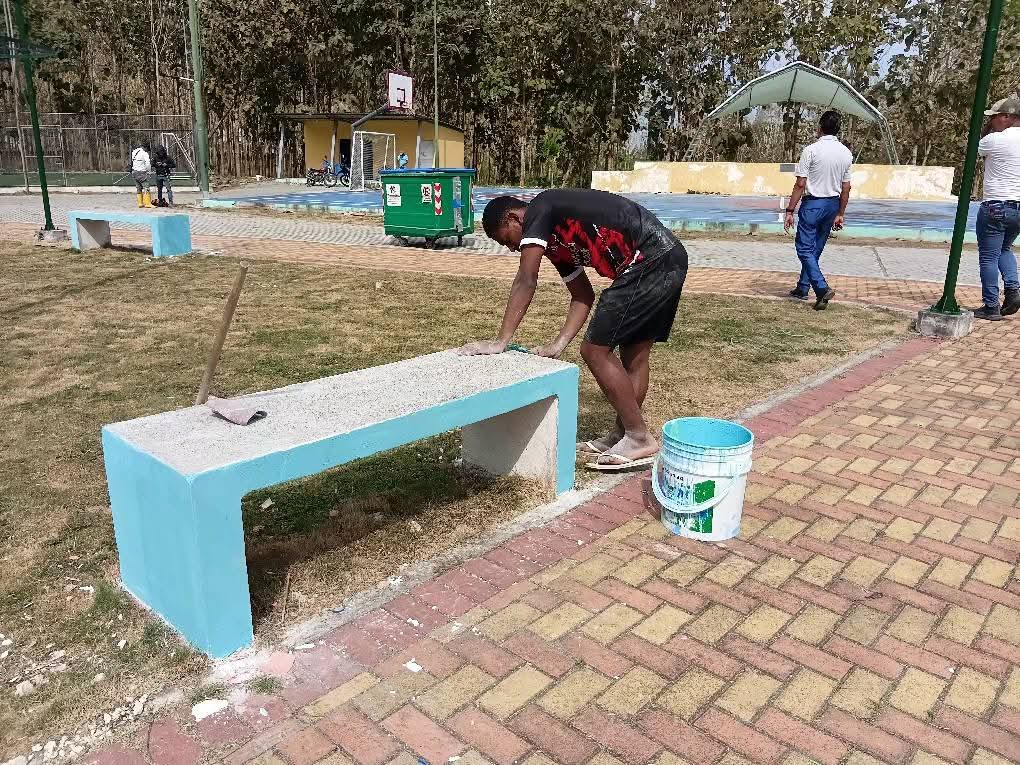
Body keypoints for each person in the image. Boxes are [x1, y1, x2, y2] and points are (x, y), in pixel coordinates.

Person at [457, 189, 688, 471]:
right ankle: (623, 435)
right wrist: (558, 344)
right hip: (668, 257)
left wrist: (500, 341)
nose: (512, 249)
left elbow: (526, 279)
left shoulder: (541, 207)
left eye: (506, 240)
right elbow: (582, 295)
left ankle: (638, 437)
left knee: (594, 351)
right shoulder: (556, 241)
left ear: (514, 219)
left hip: (651, 258)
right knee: (633, 356)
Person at [784, 110, 853, 311]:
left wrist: (790, 210)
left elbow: (800, 184)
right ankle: (802, 288)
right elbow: (846, 188)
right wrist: (840, 213)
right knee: (815, 250)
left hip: (813, 204)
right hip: (832, 205)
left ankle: (821, 288)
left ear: (820, 127)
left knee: (804, 249)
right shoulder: (845, 153)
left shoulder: (811, 150)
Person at [973, 95, 1020, 321]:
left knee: (988, 257)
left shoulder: (994, 140)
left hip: (996, 205)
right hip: (1018, 208)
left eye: (993, 117)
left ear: (1006, 117)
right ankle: (1013, 291)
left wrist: (989, 130)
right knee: (1005, 249)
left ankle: (991, 306)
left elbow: (976, 148)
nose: (990, 121)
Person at [129, 141, 153, 208]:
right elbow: (148, 164)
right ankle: (147, 203)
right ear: (145, 148)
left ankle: (140, 203)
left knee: (138, 188)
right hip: (142, 172)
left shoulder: (134, 151)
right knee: (146, 187)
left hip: (134, 172)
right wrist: (149, 171)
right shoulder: (144, 153)